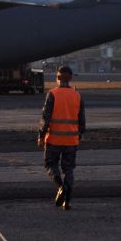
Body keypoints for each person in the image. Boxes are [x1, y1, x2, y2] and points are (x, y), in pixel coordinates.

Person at [36, 65, 85, 210]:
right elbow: (82, 120)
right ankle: (67, 202)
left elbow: (45, 118)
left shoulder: (53, 94)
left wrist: (41, 135)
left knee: (50, 165)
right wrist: (79, 135)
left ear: (57, 78)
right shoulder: (77, 95)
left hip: (54, 140)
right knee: (68, 169)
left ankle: (61, 187)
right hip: (71, 140)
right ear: (70, 78)